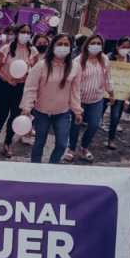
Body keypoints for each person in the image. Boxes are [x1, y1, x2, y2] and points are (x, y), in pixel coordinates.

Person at [21, 33, 83, 164]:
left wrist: (77, 110)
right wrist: (26, 108)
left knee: (61, 144)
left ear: (71, 47)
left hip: (63, 113)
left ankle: (52, 167)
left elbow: (75, 91)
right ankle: (35, 168)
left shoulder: (75, 67)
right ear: (53, 46)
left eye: (66, 44)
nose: (63, 47)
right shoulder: (41, 65)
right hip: (41, 112)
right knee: (39, 142)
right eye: (60, 44)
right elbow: (31, 88)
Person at [67, 34, 113, 162]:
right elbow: (72, 82)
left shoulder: (104, 59)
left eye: (99, 43)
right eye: (93, 43)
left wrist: (111, 93)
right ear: (87, 45)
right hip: (79, 100)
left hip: (96, 100)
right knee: (75, 125)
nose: (96, 46)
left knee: (94, 125)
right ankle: (71, 148)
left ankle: (84, 147)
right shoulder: (78, 60)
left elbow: (108, 77)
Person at [0, 25, 33, 158]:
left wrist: (26, 78)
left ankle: (7, 143)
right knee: (2, 114)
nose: (25, 34)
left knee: (14, 116)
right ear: (16, 33)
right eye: (22, 32)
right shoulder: (6, 48)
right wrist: (8, 79)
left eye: (28, 32)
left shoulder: (33, 51)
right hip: (5, 86)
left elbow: (35, 71)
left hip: (21, 89)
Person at [105, 36, 130, 150]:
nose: (126, 49)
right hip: (105, 92)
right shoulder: (109, 57)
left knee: (115, 117)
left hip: (120, 93)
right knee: (97, 116)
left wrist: (127, 96)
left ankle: (111, 139)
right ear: (117, 46)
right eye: (123, 47)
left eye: (129, 47)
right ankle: (87, 140)